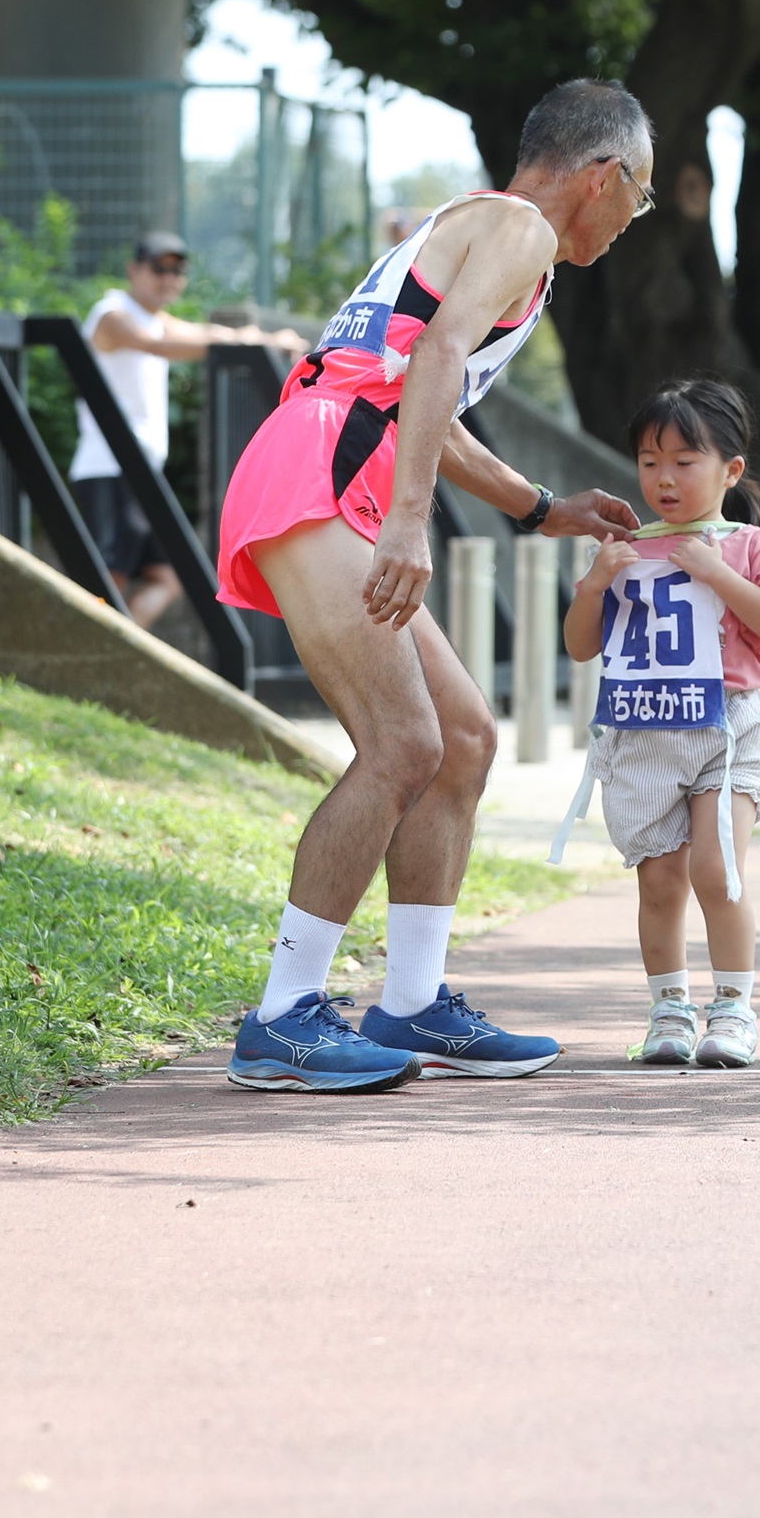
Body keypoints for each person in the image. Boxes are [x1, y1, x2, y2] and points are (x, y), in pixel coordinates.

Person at [208, 80, 652, 1092]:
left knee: (460, 741)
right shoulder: (519, 227)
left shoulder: (484, 230)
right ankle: (282, 1016)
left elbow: (426, 391)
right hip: (326, 466)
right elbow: (439, 358)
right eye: (643, 195)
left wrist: (541, 506)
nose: (635, 222)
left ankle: (412, 1001)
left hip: (329, 459)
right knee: (403, 743)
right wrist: (410, 519)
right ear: (604, 176)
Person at [560, 378, 760, 1070]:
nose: (664, 478)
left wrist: (718, 574)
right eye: (650, 462)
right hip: (645, 730)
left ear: (730, 470)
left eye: (684, 461)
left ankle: (733, 1008)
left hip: (731, 725)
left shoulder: (751, 546)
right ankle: (668, 1008)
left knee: (718, 866)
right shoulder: (626, 547)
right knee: (660, 879)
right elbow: (581, 646)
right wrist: (594, 584)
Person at [70, 233, 305, 627]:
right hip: (109, 467)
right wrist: (246, 342)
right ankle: (83, 665)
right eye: (158, 268)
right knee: (107, 580)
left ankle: (109, 652)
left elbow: (206, 335)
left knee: (168, 577)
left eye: (177, 270)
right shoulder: (113, 314)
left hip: (139, 472)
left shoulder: (154, 319)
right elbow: (157, 345)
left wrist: (262, 341)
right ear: (134, 270)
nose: (168, 278)